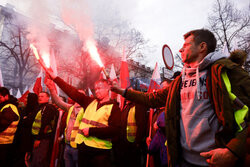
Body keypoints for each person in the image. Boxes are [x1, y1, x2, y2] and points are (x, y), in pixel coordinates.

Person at [111, 29, 250, 167]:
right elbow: (152, 99)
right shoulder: (179, 82)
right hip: (180, 162)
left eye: (186, 46)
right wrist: (122, 91)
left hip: (215, 162)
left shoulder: (227, 72)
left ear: (202, 47)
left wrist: (234, 151)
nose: (180, 50)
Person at [45, 71, 121, 167]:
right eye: (95, 89)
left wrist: (91, 131)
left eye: (100, 88)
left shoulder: (114, 108)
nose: (96, 91)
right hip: (83, 150)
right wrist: (55, 78)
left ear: (108, 89)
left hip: (100, 153)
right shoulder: (89, 102)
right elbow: (71, 91)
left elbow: (115, 130)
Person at [45, 79, 84, 167]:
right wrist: (51, 89)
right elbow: (58, 101)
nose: (78, 96)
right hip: (67, 145)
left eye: (81, 95)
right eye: (77, 94)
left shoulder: (87, 109)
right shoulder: (70, 108)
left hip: (78, 147)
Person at [113, 99, 148, 167]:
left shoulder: (138, 106)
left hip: (133, 144)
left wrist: (137, 142)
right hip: (124, 143)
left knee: (133, 162)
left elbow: (141, 126)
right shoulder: (127, 106)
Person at [31, 91, 58, 167]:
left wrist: (39, 139)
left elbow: (45, 125)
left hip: (43, 139)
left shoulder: (48, 108)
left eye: (42, 96)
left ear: (48, 98)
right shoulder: (41, 107)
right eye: (39, 96)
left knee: (39, 160)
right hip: (39, 137)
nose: (40, 98)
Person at [0, 87, 20, 167]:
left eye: (0, 97)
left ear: (6, 96)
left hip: (4, 143)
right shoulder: (5, 106)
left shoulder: (9, 107)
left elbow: (2, 124)